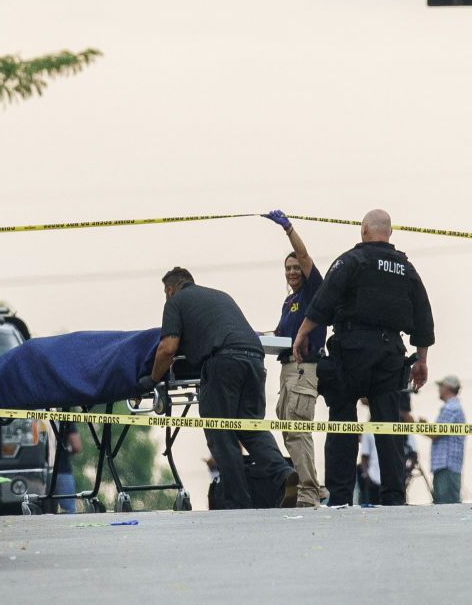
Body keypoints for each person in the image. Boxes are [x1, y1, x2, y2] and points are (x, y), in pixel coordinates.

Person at [293, 209, 434, 506]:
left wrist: (303, 333)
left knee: (343, 421)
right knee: (387, 425)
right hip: (389, 354)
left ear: (364, 230)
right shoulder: (406, 269)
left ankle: (341, 496)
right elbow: (423, 315)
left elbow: (324, 299)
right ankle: (394, 497)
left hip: (351, 350)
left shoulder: (351, 261)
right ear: (390, 233)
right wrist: (421, 360)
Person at [139, 267, 298, 509]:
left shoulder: (175, 302)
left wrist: (152, 379)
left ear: (170, 289)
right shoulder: (219, 296)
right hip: (255, 358)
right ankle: (283, 475)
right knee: (251, 426)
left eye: (165, 292)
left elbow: (168, 348)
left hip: (224, 361)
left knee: (219, 431)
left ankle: (238, 501)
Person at [262, 209, 324, 508]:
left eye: (296, 267)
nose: (292, 272)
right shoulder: (290, 301)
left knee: (299, 431)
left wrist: (288, 229)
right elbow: (278, 333)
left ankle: (309, 492)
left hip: (303, 369)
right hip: (286, 370)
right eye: (288, 268)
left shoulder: (313, 292)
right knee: (289, 431)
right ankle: (310, 485)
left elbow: (306, 256)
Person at [420, 375, 465, 504]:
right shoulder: (453, 407)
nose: (439, 389)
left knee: (446, 507)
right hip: (446, 466)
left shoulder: (451, 408)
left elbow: (435, 433)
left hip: (446, 465)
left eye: (441, 386)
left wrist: (419, 427)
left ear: (448, 388)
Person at [52, 422, 82, 513]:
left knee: (43, 510)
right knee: (69, 510)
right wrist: (65, 451)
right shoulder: (65, 416)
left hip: (38, 470)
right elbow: (76, 446)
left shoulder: (34, 413)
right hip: (62, 470)